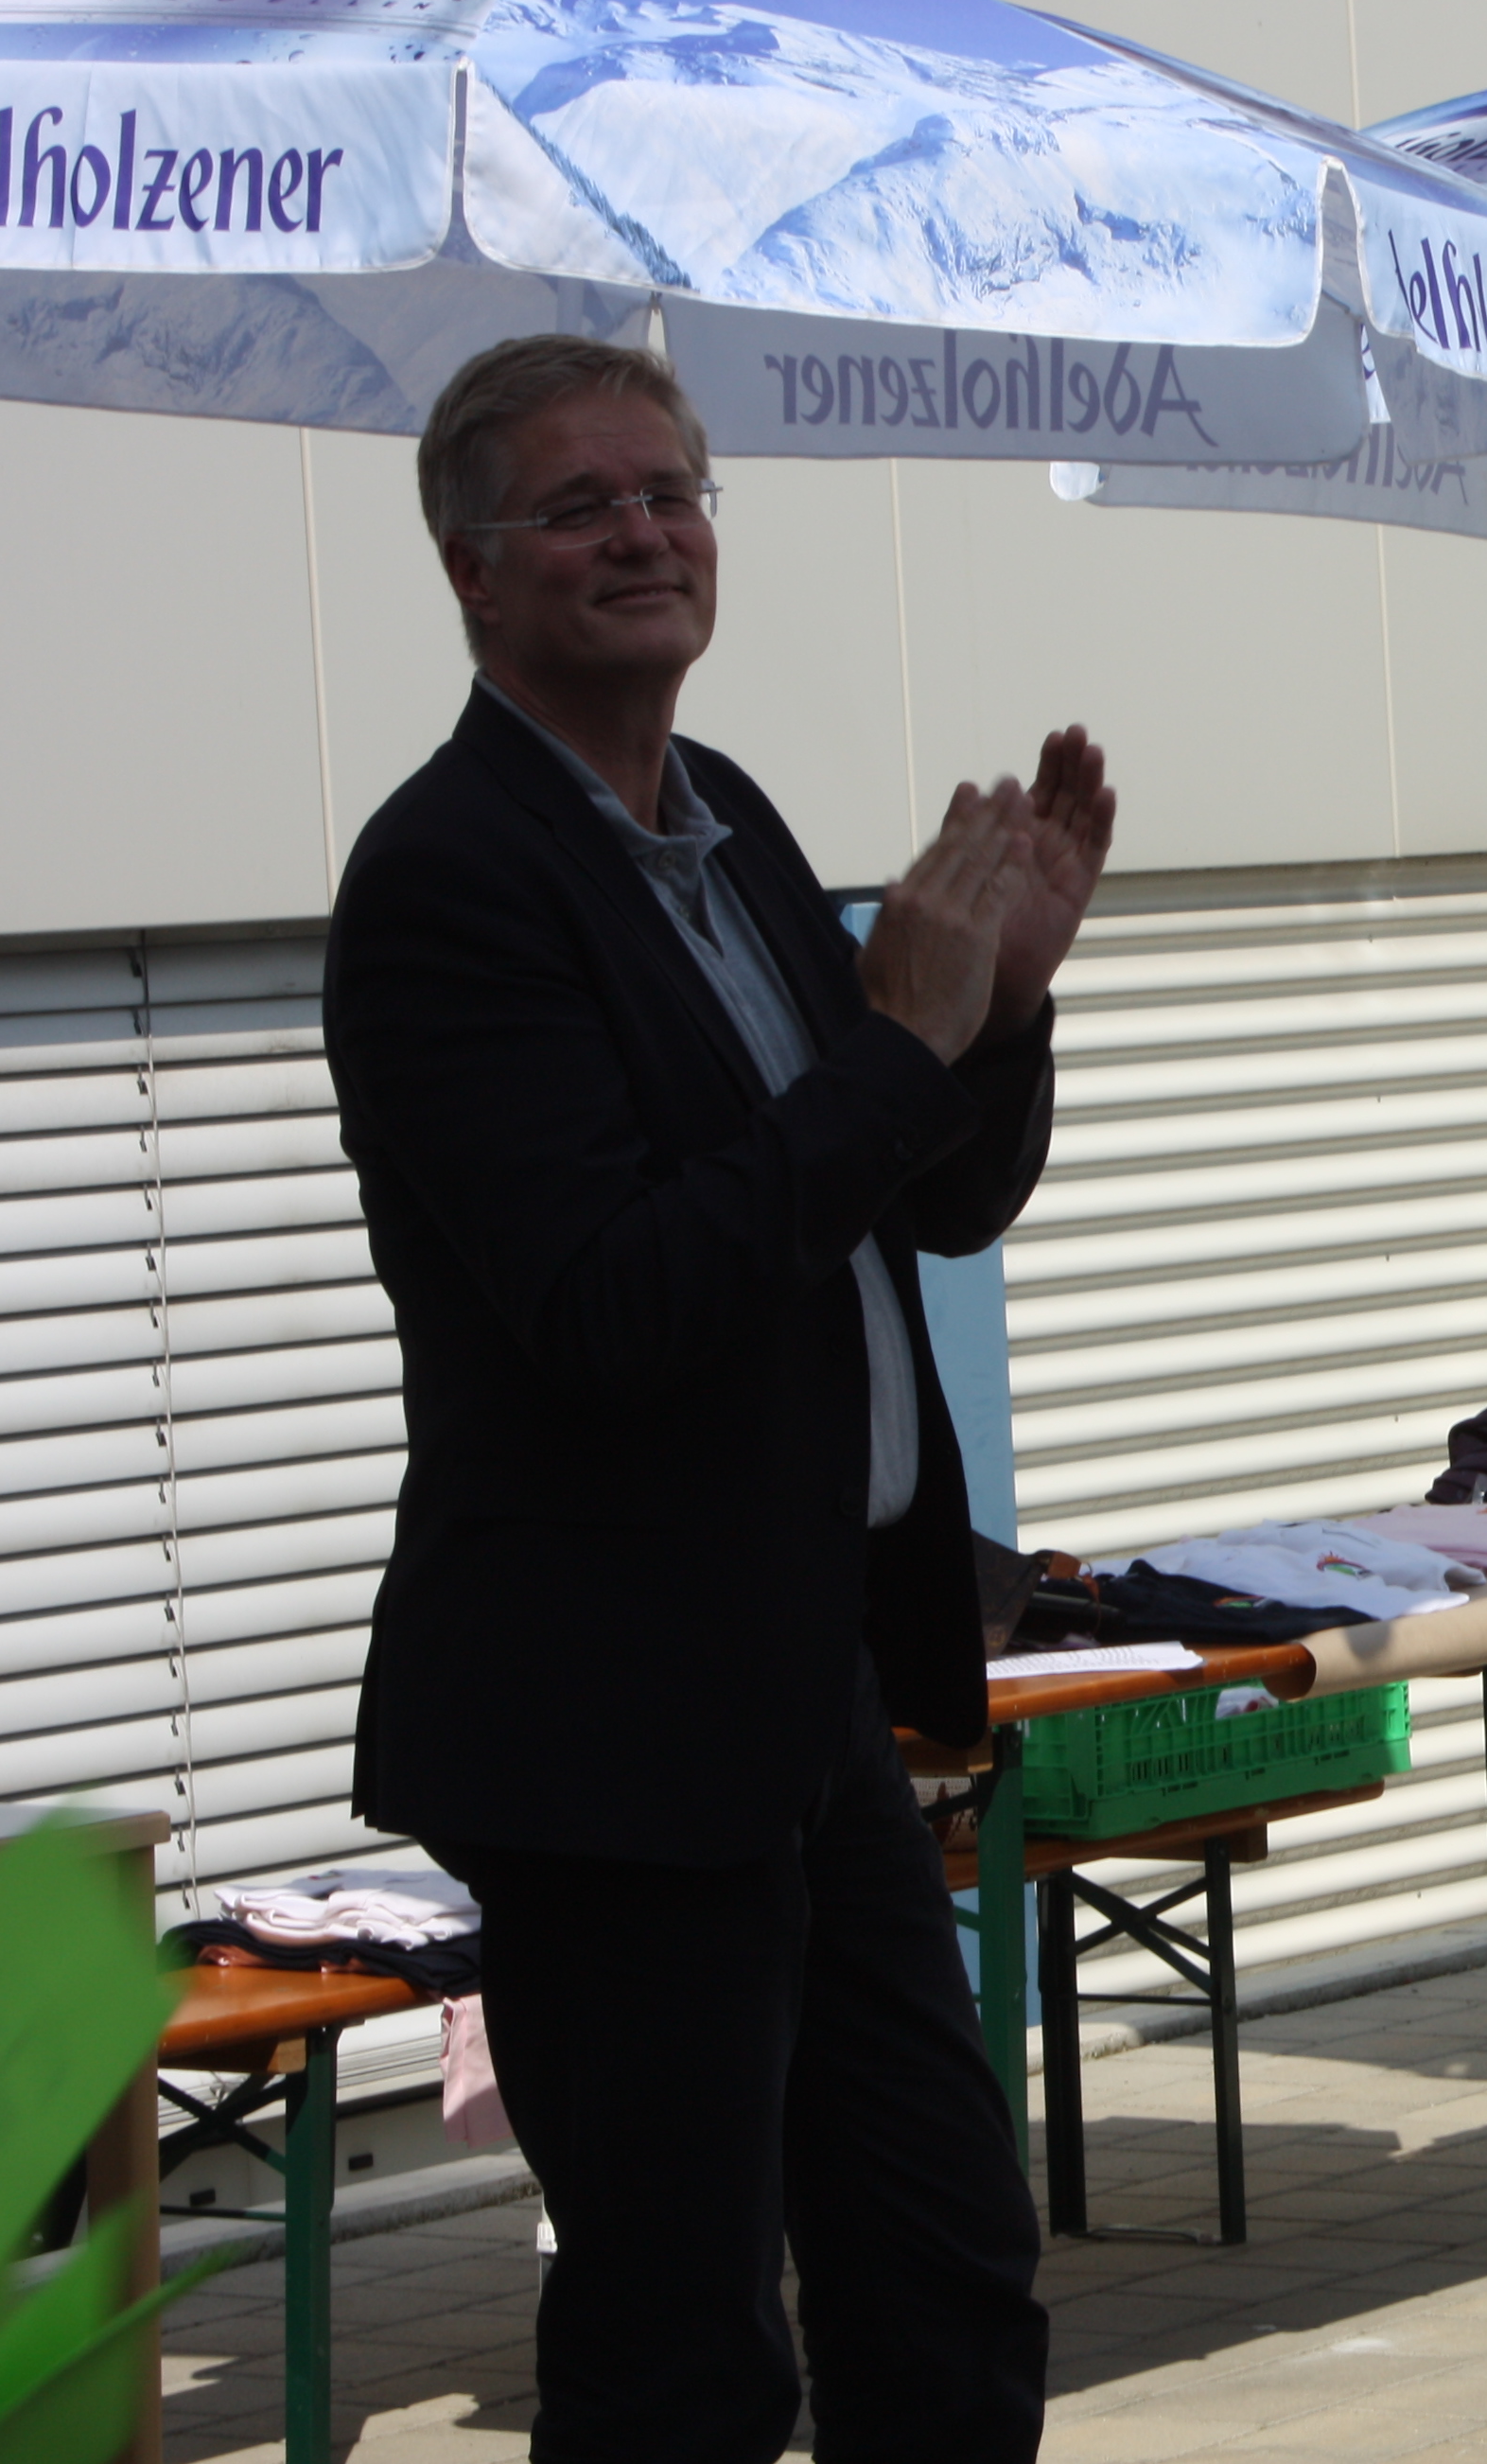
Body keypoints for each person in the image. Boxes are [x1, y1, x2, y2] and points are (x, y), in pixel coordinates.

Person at [327, 335, 1112, 2462]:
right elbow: (613, 1302)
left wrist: (994, 1019)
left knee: (945, 2274)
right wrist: (901, 1041)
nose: (643, 534)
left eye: (671, 492)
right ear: (474, 570)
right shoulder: (448, 877)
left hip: (800, 1691)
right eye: (581, 505)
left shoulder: (733, 813)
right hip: (608, 1719)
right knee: (681, 2345)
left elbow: (928, 1194)